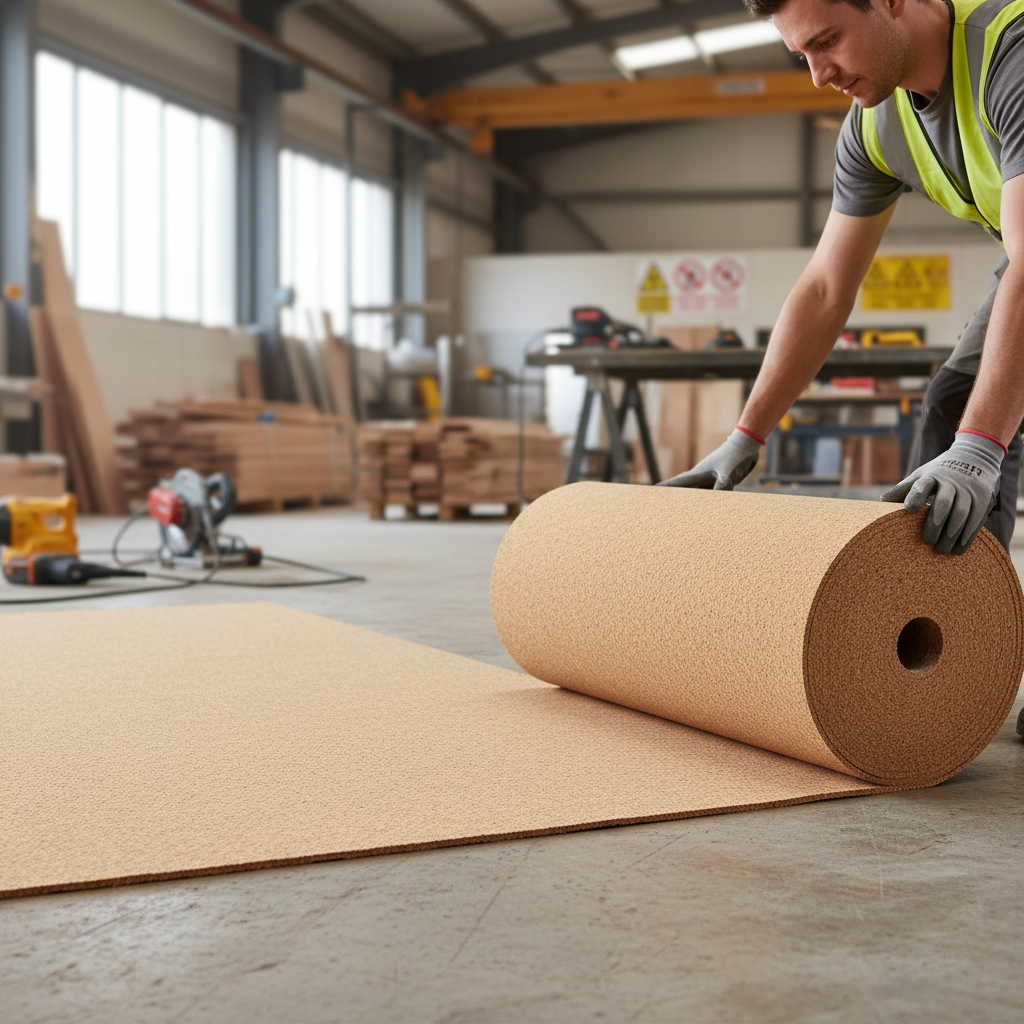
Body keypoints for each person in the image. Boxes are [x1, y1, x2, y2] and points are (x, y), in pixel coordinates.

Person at [661, 0, 1024, 562]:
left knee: (976, 434)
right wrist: (746, 436)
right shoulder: (875, 126)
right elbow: (825, 289)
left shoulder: (1009, 53)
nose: (818, 74)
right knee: (956, 408)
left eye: (827, 40)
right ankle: (956, 629)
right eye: (803, 53)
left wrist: (982, 446)